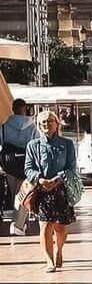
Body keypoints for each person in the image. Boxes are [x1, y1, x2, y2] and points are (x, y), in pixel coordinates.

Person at [24, 110, 78, 272]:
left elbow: (71, 167)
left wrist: (57, 180)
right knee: (45, 225)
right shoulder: (32, 145)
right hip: (41, 190)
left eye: (49, 121)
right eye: (43, 122)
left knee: (60, 227)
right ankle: (49, 260)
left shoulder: (67, 144)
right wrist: (40, 179)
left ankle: (59, 250)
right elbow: (28, 168)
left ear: (56, 123)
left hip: (61, 189)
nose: (46, 125)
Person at [1, 98, 36, 235]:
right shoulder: (33, 126)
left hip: (9, 164)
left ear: (12, 109)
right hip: (26, 164)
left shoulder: (4, 126)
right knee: (25, 193)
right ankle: (19, 225)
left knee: (16, 193)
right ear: (25, 108)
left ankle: (18, 223)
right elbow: (36, 144)